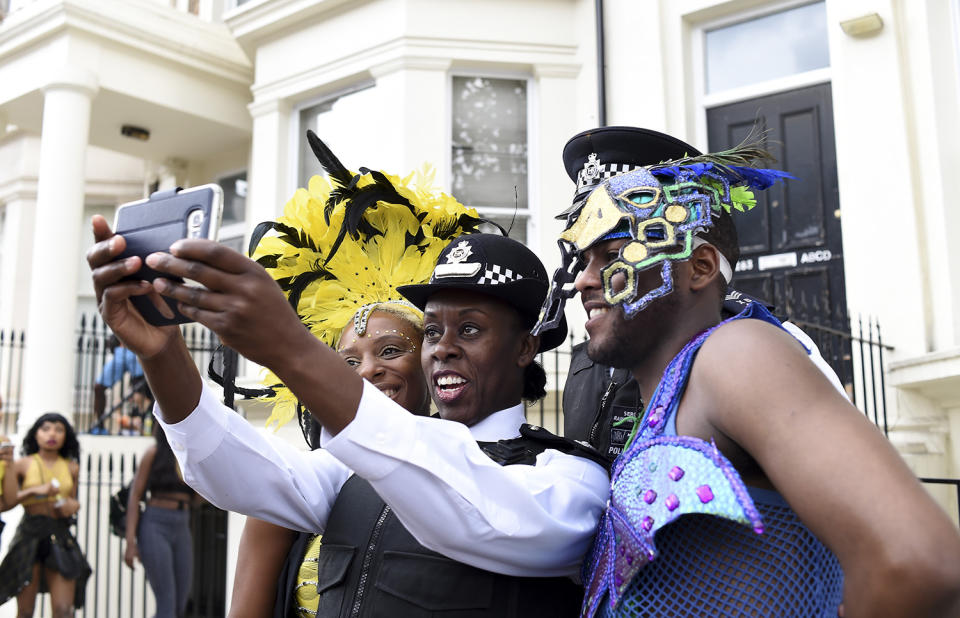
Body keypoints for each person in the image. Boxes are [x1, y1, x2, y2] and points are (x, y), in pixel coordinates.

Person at [87, 131, 609, 617]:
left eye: (469, 330)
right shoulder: (348, 471)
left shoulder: (570, 481)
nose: (443, 349)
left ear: (524, 348)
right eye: (431, 332)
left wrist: (285, 344)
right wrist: (161, 352)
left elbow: (467, 503)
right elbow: (229, 469)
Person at [531, 126, 960, 617]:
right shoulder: (665, 394)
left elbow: (918, 562)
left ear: (700, 267)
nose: (584, 279)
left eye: (610, 256)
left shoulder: (737, 353)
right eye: (584, 260)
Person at [228, 139, 468, 617]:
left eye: (391, 351)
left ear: (429, 360)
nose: (369, 371)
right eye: (349, 362)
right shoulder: (298, 484)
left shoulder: (471, 467)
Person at [0, 413, 92, 618]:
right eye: (46, 428)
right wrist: (34, 491)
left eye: (59, 429)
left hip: (58, 532)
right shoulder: (22, 464)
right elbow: (9, 501)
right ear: (36, 434)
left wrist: (73, 505)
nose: (52, 434)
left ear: (66, 436)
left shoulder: (71, 467)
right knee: (25, 610)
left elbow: (72, 499)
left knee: (63, 609)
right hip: (30, 532)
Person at [123, 422, 197, 618]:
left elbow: (198, 499)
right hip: (156, 522)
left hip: (182, 523)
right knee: (167, 603)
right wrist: (131, 542)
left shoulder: (190, 455)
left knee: (181, 602)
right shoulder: (154, 453)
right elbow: (135, 496)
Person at [94, 335, 152, 434]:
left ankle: (99, 426)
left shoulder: (124, 352)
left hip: (145, 379)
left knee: (144, 401)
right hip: (143, 379)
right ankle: (99, 426)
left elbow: (99, 386)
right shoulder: (124, 353)